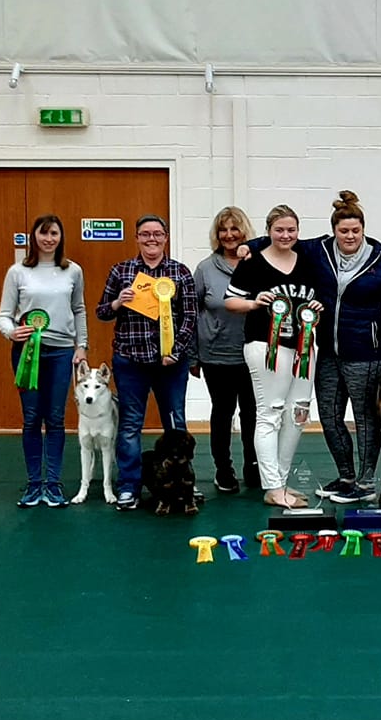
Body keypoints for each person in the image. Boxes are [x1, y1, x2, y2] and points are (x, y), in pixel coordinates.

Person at [240, 190, 381, 504]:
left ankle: (365, 482)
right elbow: (281, 239)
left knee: (365, 419)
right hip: (323, 351)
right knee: (329, 417)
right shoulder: (318, 250)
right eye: (343, 231)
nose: (349, 236)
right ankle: (345, 476)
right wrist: (247, 246)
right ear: (334, 230)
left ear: (363, 230)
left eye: (355, 231)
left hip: (366, 352)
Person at [224, 204, 325, 508]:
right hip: (266, 347)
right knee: (270, 414)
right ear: (268, 231)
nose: (285, 235)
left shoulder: (307, 263)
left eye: (291, 230)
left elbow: (315, 299)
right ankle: (271, 484)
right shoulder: (253, 263)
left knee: (298, 415)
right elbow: (229, 301)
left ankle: (281, 481)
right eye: (279, 229)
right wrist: (254, 303)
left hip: (304, 348)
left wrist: (317, 307)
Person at [95, 215, 198, 511]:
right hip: (130, 361)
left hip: (171, 362)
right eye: (145, 234)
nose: (151, 239)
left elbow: (190, 316)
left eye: (157, 234)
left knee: (175, 424)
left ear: (166, 237)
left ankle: (183, 484)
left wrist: (176, 350)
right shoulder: (122, 271)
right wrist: (117, 302)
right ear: (137, 238)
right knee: (129, 425)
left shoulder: (180, 272)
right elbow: (102, 311)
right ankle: (129, 486)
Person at [0, 214, 87, 508]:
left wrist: (81, 346)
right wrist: (12, 332)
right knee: (32, 418)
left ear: (61, 237)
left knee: (57, 419)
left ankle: (54, 484)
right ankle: (34, 484)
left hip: (62, 353)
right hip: (27, 354)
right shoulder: (17, 272)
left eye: (54, 233)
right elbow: (3, 315)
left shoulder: (73, 271)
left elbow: (79, 309)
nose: (49, 238)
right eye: (43, 233)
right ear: (34, 236)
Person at [193, 206, 260, 494]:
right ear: (217, 235)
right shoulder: (205, 269)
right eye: (223, 229)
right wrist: (192, 356)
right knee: (222, 413)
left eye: (235, 228)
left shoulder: (258, 264)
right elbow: (192, 310)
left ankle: (254, 467)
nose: (229, 234)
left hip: (254, 352)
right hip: (216, 355)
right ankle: (224, 470)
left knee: (253, 414)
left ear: (245, 232)